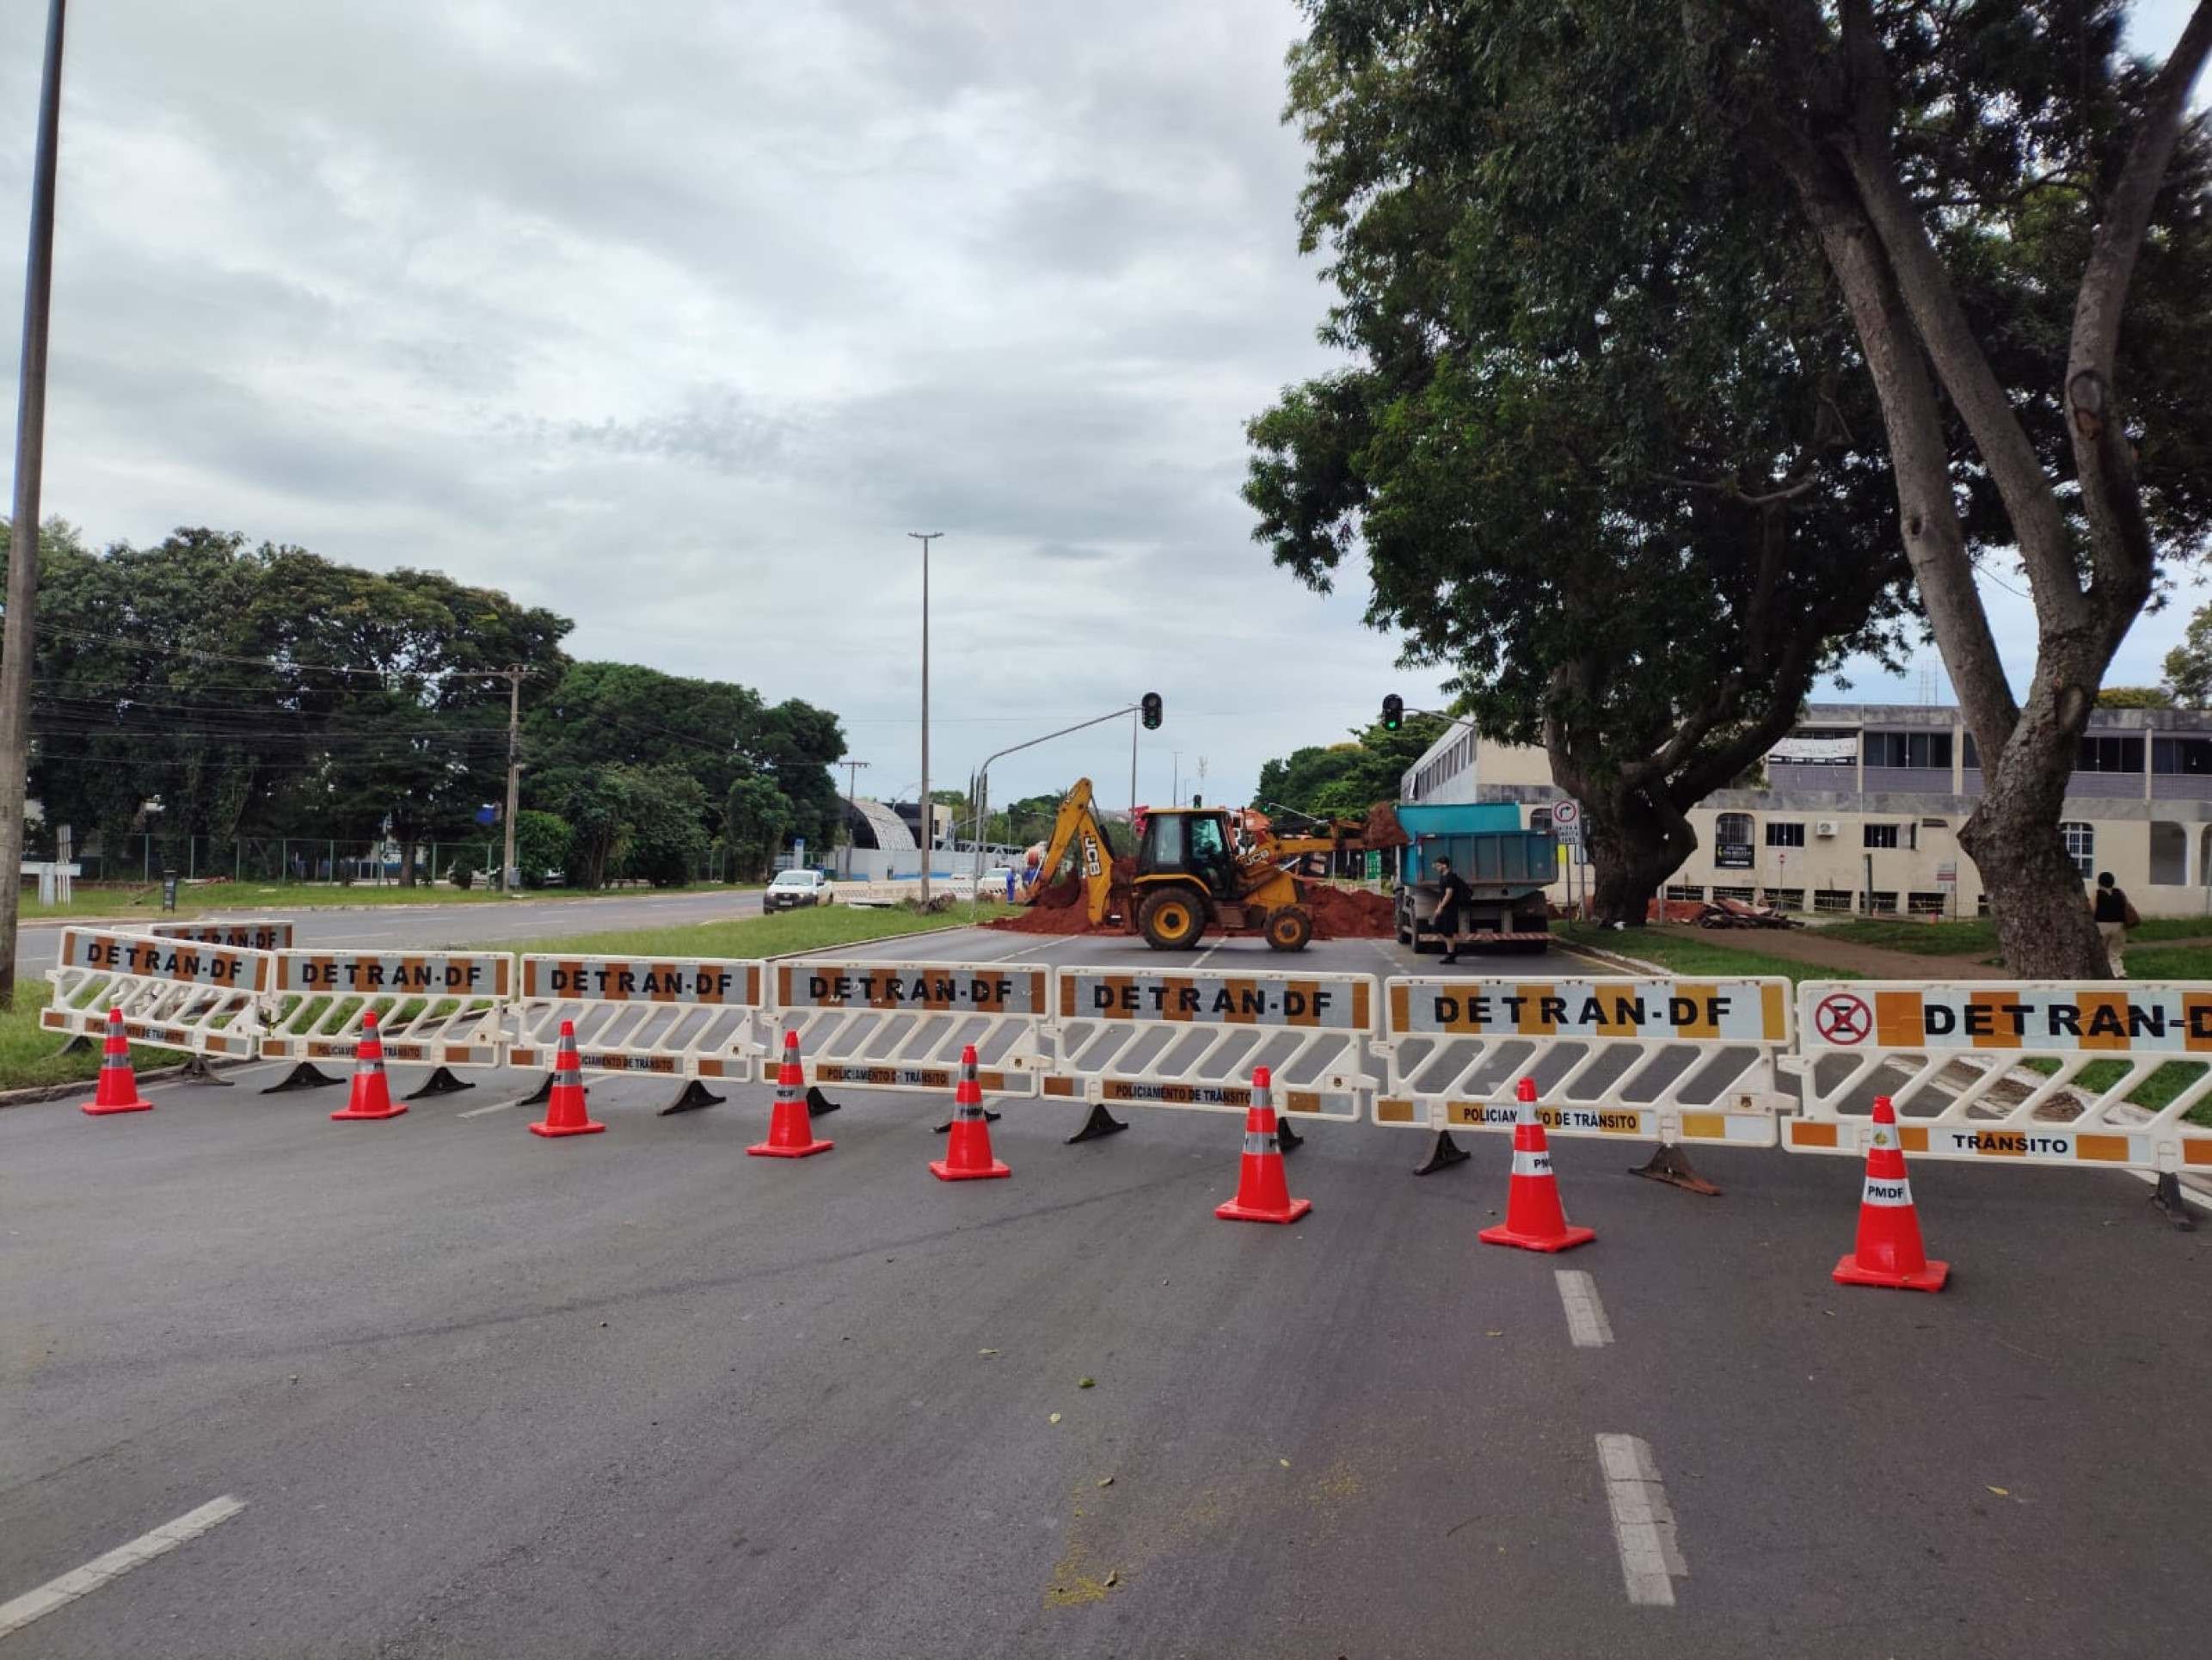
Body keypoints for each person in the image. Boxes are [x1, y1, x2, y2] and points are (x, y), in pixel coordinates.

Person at [2092, 870, 2137, 976]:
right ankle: (2119, 974)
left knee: (2101, 952)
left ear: (2099, 882)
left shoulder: (2097, 893)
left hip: (2102, 926)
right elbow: (2127, 907)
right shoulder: (2119, 893)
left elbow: (2092, 909)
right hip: (2119, 926)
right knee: (2115, 954)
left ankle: (2102, 975)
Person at [1434, 855, 1472, 963]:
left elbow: (1449, 894)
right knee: (1437, 928)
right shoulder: (1442, 877)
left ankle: (1451, 955)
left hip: (1450, 908)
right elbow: (1442, 894)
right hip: (1443, 907)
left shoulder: (1450, 877)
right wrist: (1438, 907)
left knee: (1447, 932)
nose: (1437, 868)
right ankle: (1453, 949)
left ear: (1445, 866)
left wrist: (1441, 907)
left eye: (1438, 866)